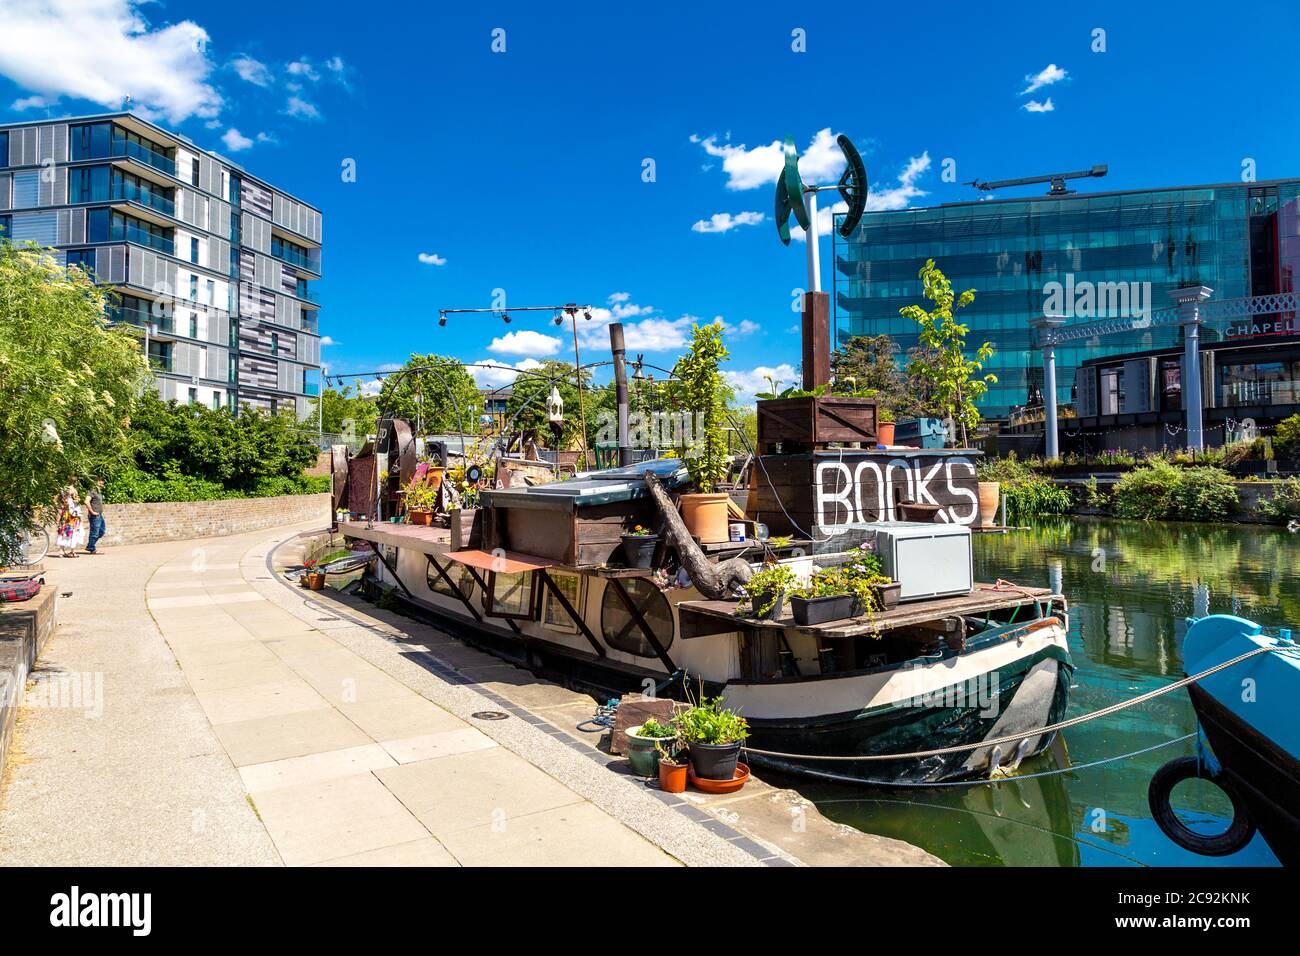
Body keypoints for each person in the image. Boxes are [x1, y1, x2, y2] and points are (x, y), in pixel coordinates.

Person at [55, 481, 83, 558]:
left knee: (65, 534)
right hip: (70, 518)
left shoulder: (68, 500)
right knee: (70, 534)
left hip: (70, 518)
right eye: (72, 490)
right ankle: (69, 551)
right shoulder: (68, 500)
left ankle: (63, 551)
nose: (74, 491)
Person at [85, 478, 106, 555]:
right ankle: (92, 548)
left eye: (102, 484)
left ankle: (90, 545)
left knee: (102, 531)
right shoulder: (92, 491)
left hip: (99, 515)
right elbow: (86, 501)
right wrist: (92, 512)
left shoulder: (98, 492)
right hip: (94, 515)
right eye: (100, 483)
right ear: (95, 483)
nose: (101, 485)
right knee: (95, 533)